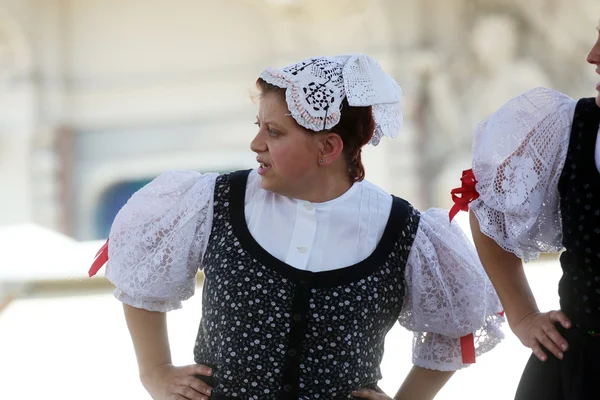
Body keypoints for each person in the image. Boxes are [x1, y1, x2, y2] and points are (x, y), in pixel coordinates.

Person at [90, 54, 504, 400]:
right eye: (259, 127)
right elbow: (142, 269)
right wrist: (155, 371)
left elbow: (457, 325)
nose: (256, 144)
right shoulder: (217, 201)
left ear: (328, 147)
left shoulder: (402, 230)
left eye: (274, 132)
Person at [448, 20, 600, 400]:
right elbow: (488, 212)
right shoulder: (569, 128)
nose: (592, 55)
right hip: (582, 371)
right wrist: (523, 316)